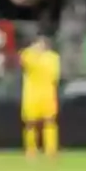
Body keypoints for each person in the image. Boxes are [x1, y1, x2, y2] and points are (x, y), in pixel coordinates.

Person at [18, 31, 61, 159]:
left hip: (48, 94)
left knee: (50, 122)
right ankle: (31, 150)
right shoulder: (28, 55)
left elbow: (55, 75)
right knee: (30, 123)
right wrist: (32, 51)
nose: (40, 46)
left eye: (42, 44)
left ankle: (51, 150)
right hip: (31, 94)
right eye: (37, 43)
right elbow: (23, 60)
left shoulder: (53, 58)